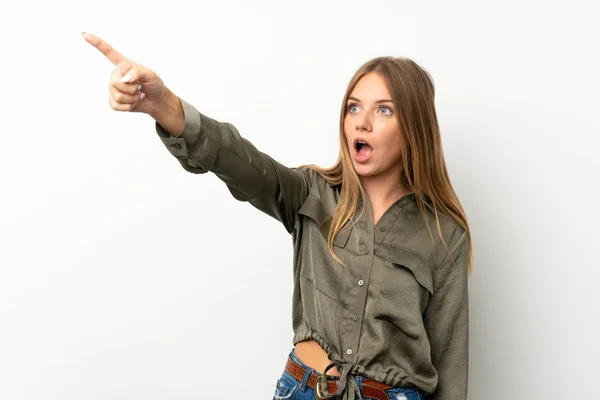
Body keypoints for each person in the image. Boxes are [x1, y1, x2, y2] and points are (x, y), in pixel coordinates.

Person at [82, 31, 472, 400]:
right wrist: (162, 103)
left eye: (383, 110)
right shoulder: (311, 193)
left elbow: (450, 363)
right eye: (354, 106)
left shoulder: (444, 233)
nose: (361, 121)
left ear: (414, 128)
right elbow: (240, 161)